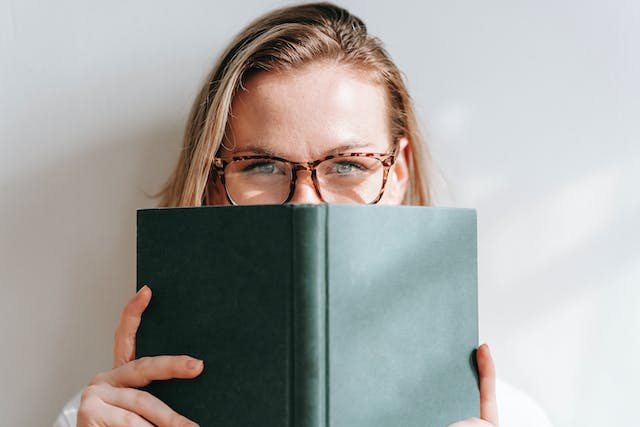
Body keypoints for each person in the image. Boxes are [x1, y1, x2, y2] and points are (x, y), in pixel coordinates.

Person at [55, 3, 552, 426]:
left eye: (348, 164)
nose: (305, 204)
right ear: (212, 181)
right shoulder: (106, 417)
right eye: (262, 165)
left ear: (397, 172)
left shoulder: (506, 417)